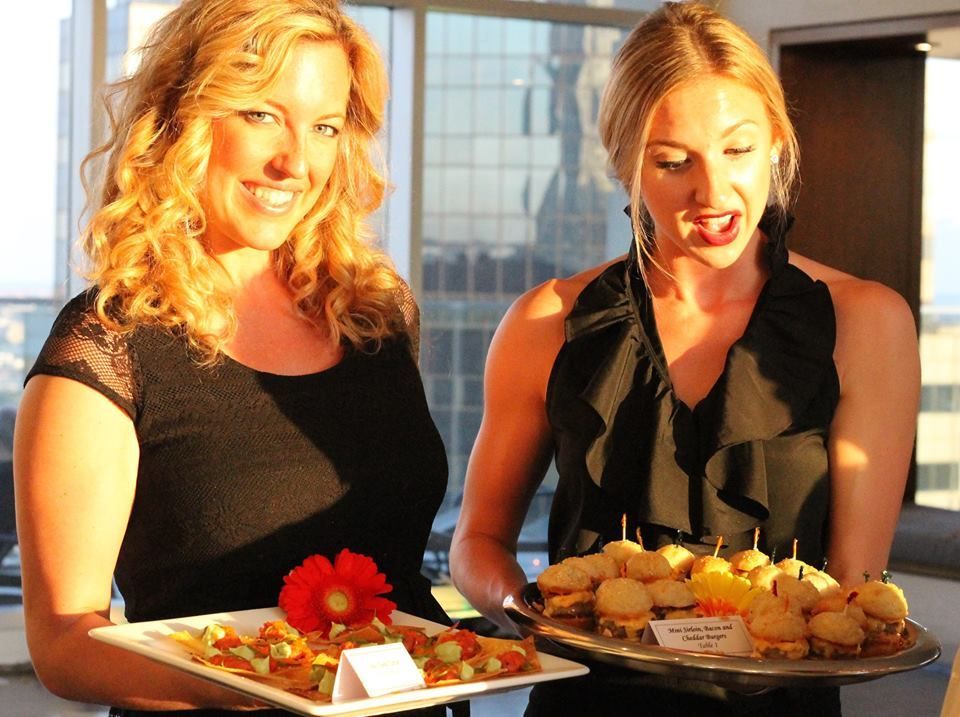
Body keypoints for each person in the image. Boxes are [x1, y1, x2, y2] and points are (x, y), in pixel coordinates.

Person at [449, 3, 919, 715]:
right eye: (673, 162)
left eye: (737, 149)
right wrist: (532, 610)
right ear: (624, 165)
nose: (713, 192)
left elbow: (854, 579)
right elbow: (477, 543)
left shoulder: (866, 323)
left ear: (776, 145)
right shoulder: (546, 322)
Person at [14, 1, 452, 715]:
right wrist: (263, 685)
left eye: (324, 127)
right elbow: (64, 643)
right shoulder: (107, 345)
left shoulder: (371, 317)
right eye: (260, 114)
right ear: (184, 117)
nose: (295, 161)